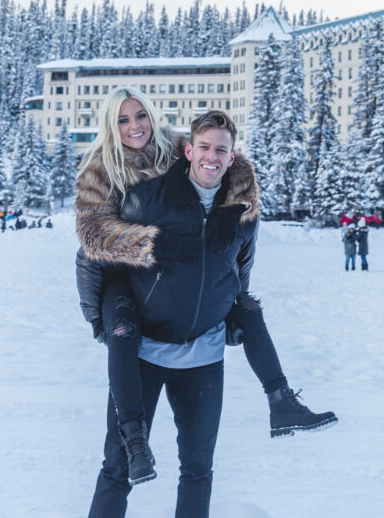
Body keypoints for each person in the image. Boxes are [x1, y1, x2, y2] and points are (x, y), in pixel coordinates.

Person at [76, 91, 336, 514]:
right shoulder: (105, 173)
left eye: (140, 116)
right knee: (117, 463)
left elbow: (238, 264)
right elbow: (91, 250)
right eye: (123, 121)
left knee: (199, 468)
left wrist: (224, 301)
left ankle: (282, 400)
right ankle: (134, 436)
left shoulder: (183, 152)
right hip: (132, 289)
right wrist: (99, 313)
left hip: (201, 347)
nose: (134, 127)